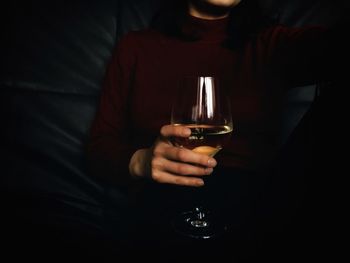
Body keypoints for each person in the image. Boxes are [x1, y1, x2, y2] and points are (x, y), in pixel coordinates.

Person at [87, 0, 348, 256]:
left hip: (256, 205)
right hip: (163, 200)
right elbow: (99, 146)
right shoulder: (136, 47)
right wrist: (141, 162)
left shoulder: (272, 44)